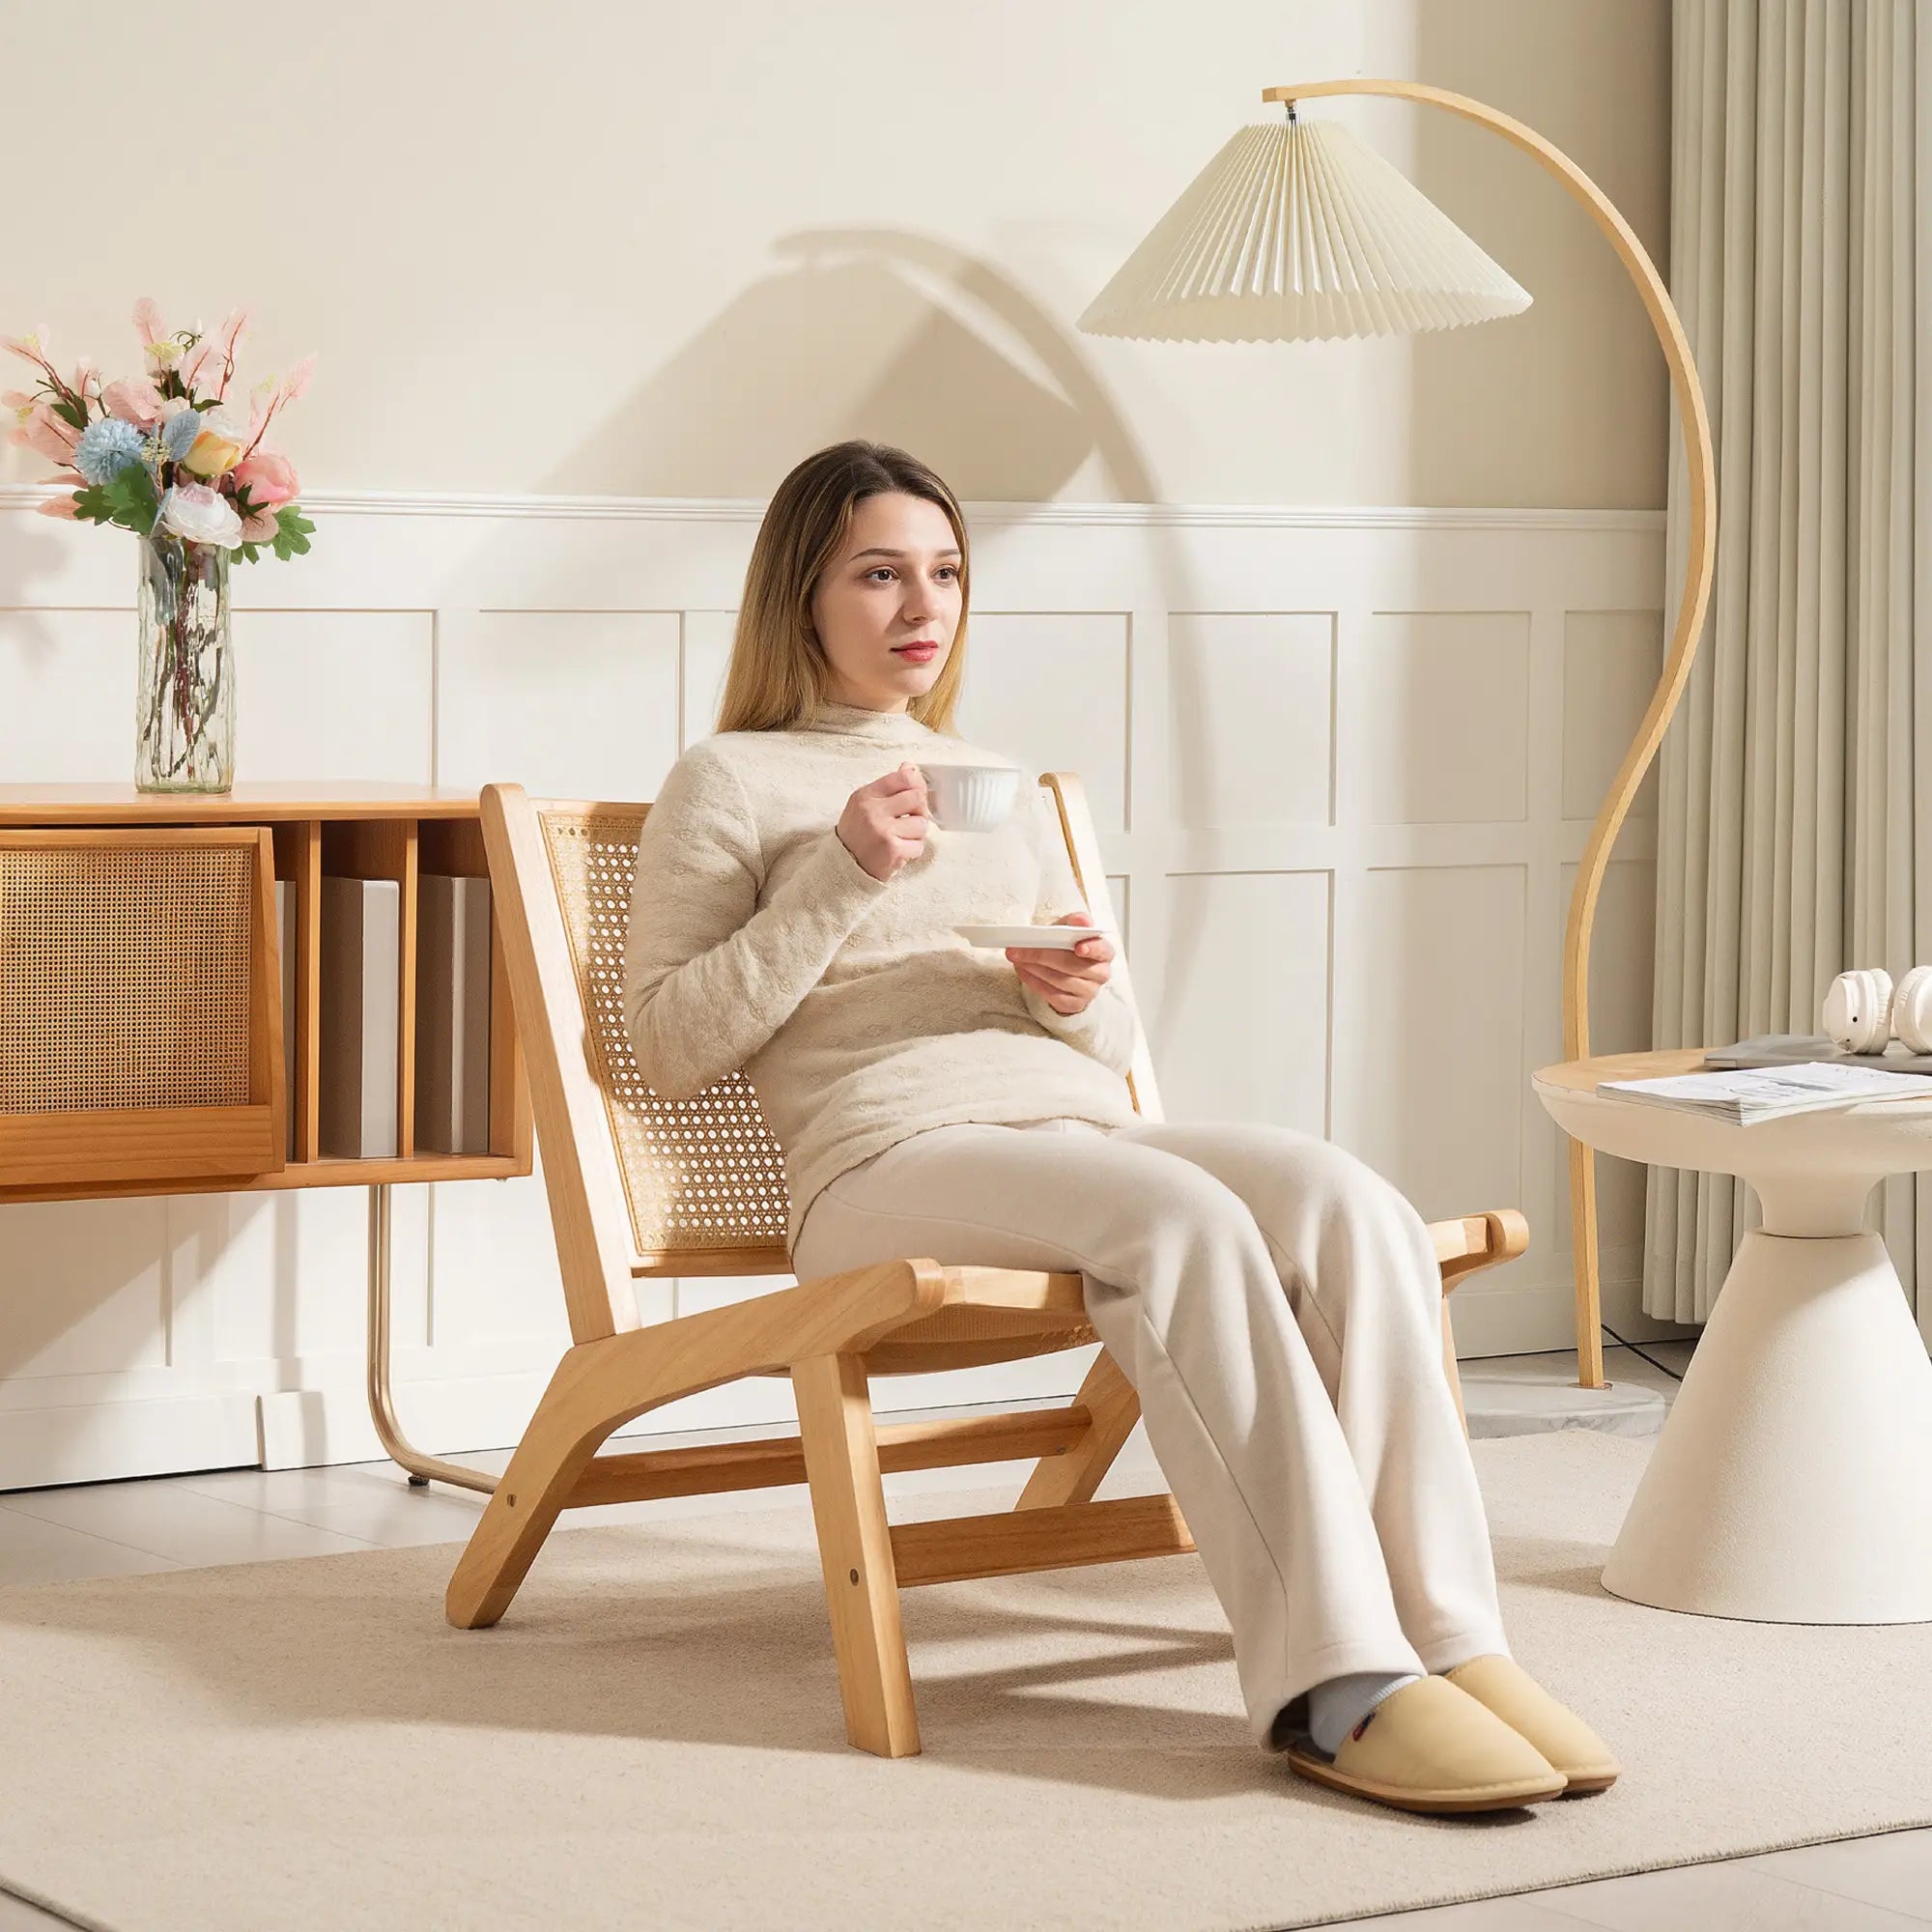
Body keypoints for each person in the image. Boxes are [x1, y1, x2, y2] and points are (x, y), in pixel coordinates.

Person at [621, 440, 1618, 1817]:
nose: (924, 604)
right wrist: (844, 871)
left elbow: (1109, 1045)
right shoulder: (729, 779)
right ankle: (1335, 1684)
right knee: (1186, 1223)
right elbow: (670, 1046)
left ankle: (1452, 1638)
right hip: (878, 1164)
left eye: (946, 572)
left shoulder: (994, 778)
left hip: (1069, 1133)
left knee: (1353, 1204)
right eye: (878, 573)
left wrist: (1080, 993)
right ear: (801, 593)